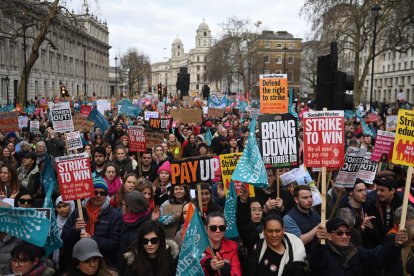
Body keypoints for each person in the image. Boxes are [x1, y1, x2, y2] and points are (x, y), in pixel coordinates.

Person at [61, 177, 122, 271]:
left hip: (103, 265)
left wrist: (91, 239)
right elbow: (64, 239)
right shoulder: (78, 212)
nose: (98, 195)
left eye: (102, 193)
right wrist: (74, 229)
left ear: (106, 195)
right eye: (95, 192)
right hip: (77, 265)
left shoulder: (115, 215)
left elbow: (114, 244)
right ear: (89, 193)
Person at [309, 217, 407, 276]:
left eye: (347, 233)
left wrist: (395, 245)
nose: (344, 236)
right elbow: (316, 263)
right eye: (339, 233)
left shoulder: (357, 252)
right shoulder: (323, 253)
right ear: (329, 236)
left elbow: (381, 257)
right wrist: (318, 244)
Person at [119, 190, 160, 259]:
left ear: (131, 207)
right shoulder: (120, 217)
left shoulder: (147, 224)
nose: (121, 206)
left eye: (123, 204)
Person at [365, 175, 403, 248]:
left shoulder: (403, 208)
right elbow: (374, 236)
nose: (378, 193)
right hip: (379, 249)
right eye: (377, 190)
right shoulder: (373, 206)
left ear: (392, 191)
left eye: (382, 190)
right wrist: (371, 227)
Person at [283, 185, 320, 254]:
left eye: (311, 196)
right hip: (301, 258)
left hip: (318, 256)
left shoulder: (315, 214)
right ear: (296, 200)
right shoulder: (289, 218)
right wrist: (317, 228)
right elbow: (298, 241)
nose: (310, 200)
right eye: (305, 198)